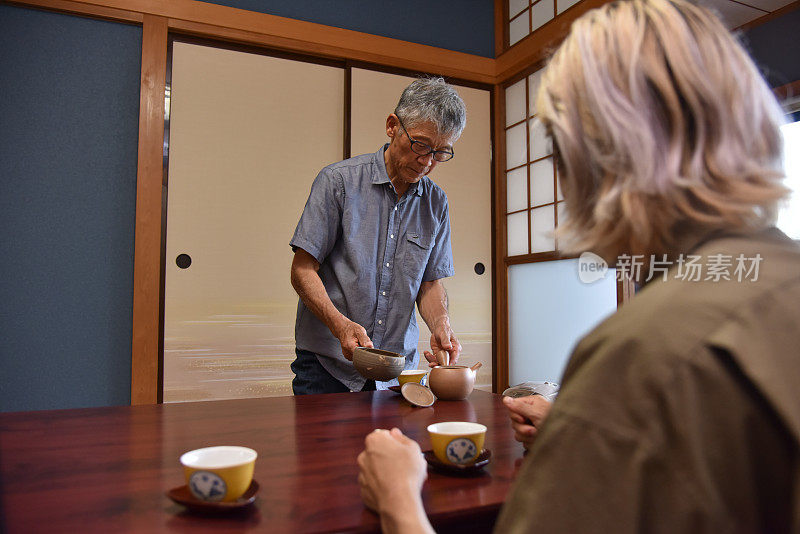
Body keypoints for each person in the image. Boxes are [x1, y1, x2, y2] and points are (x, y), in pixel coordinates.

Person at [357, 0, 800, 531]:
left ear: (590, 162)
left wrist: (399, 496)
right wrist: (584, 430)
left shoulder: (644, 352)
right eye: (421, 146)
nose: (428, 161)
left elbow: (433, 277)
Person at [289, 77, 466, 395]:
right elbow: (302, 270)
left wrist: (441, 323)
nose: (426, 162)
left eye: (440, 153)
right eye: (421, 145)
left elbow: (430, 283)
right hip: (328, 367)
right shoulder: (338, 182)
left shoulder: (436, 202)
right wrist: (339, 324)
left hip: (399, 372)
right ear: (392, 126)